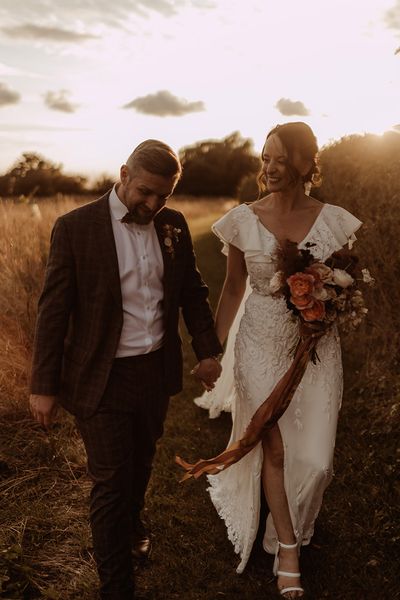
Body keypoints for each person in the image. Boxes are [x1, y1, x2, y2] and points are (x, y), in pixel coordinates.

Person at [29, 139, 222, 600]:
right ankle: (116, 586)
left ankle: (134, 523)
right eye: (145, 192)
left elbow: (191, 292)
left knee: (141, 462)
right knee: (111, 481)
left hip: (154, 370)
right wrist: (43, 385)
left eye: (164, 196)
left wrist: (208, 350)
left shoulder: (172, 225)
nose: (153, 204)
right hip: (101, 376)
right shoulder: (75, 228)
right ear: (123, 175)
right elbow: (53, 310)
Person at [196, 122, 362, 598]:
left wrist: (328, 307)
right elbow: (232, 288)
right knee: (275, 446)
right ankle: (287, 547)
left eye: (280, 158)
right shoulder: (243, 219)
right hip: (259, 342)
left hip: (315, 345)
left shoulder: (334, 221)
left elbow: (347, 281)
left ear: (307, 164)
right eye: (264, 157)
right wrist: (212, 347)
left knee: (314, 459)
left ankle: (288, 523)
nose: (269, 167)